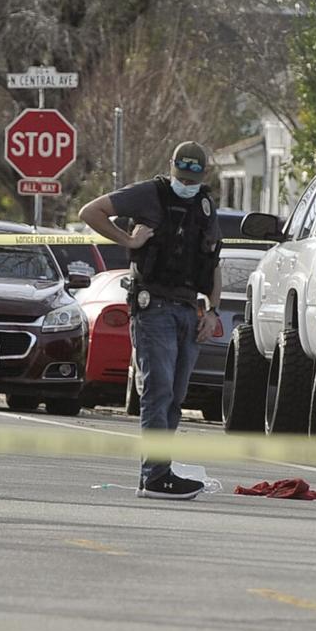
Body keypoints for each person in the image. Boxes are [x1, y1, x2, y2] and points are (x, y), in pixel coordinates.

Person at [80, 141, 222, 500]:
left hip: (189, 310)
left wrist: (213, 309)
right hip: (154, 307)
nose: (186, 183)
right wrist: (128, 239)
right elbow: (91, 211)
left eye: (192, 178)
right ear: (171, 167)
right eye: (181, 176)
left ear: (203, 175)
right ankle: (156, 475)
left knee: (175, 396)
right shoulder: (149, 194)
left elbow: (212, 262)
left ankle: (160, 471)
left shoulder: (205, 205)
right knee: (157, 391)